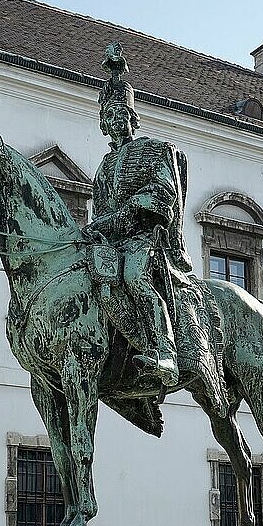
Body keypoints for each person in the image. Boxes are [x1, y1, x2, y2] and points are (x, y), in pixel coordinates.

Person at [83, 42, 193, 388]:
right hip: (113, 242)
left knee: (133, 275)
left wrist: (131, 210)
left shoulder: (153, 150)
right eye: (109, 117)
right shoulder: (103, 167)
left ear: (133, 118)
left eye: (121, 115)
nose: (115, 122)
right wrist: (96, 229)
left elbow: (165, 193)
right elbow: (100, 210)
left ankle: (165, 350)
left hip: (144, 239)